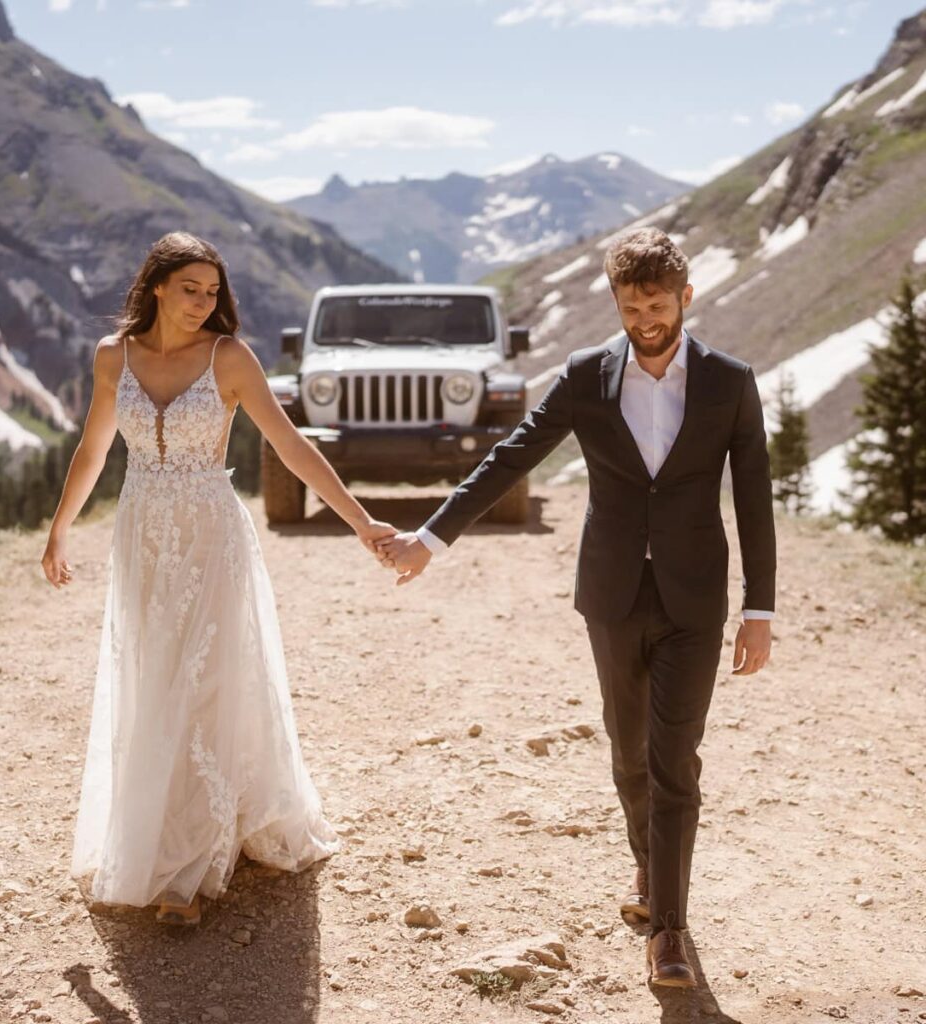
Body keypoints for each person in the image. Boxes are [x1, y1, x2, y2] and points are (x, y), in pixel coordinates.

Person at [376, 227, 776, 988]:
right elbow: (513, 455)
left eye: (657, 305)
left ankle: (669, 931)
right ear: (617, 303)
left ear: (685, 298)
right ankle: (646, 867)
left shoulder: (729, 380)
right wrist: (434, 536)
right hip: (613, 594)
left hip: (696, 597)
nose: (645, 320)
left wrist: (762, 609)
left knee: (673, 762)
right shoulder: (587, 374)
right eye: (631, 306)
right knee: (629, 756)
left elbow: (753, 494)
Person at [41, 231, 395, 926]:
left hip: (210, 534)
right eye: (190, 290)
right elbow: (95, 445)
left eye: (212, 291)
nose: (204, 303)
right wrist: (57, 529)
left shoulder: (229, 357)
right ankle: (159, 833)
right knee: (154, 677)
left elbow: (288, 442)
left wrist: (359, 521)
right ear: (156, 289)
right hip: (142, 533)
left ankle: (186, 869)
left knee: (205, 682)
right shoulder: (114, 354)